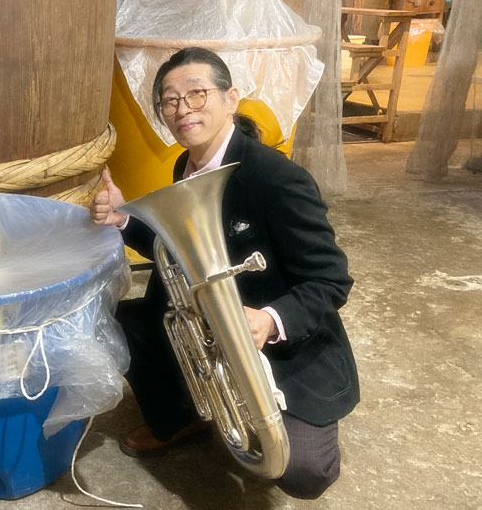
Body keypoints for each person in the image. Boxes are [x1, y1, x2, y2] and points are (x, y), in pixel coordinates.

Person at [90, 47, 359, 499]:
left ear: (231, 98)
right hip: (214, 325)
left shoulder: (279, 179)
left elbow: (331, 279)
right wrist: (122, 218)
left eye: (197, 94)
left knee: (302, 471)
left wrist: (269, 320)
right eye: (170, 101)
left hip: (279, 340)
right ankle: (181, 418)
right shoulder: (185, 164)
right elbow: (176, 248)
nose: (183, 109)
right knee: (125, 320)